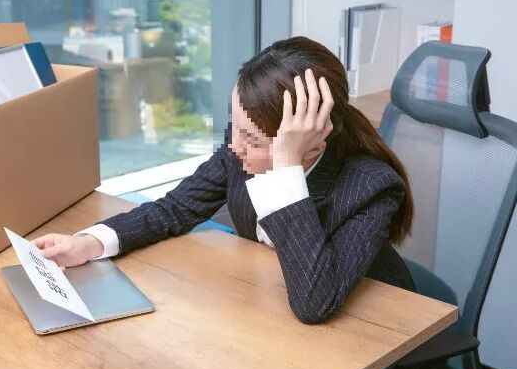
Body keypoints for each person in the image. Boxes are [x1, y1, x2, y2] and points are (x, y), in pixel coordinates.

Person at [34, 36, 415, 324]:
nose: (234, 146)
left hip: (379, 329)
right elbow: (174, 209)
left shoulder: (370, 187)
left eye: (252, 140)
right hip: (268, 310)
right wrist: (87, 244)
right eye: (236, 127)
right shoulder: (241, 146)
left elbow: (315, 304)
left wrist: (287, 167)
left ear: (314, 143)